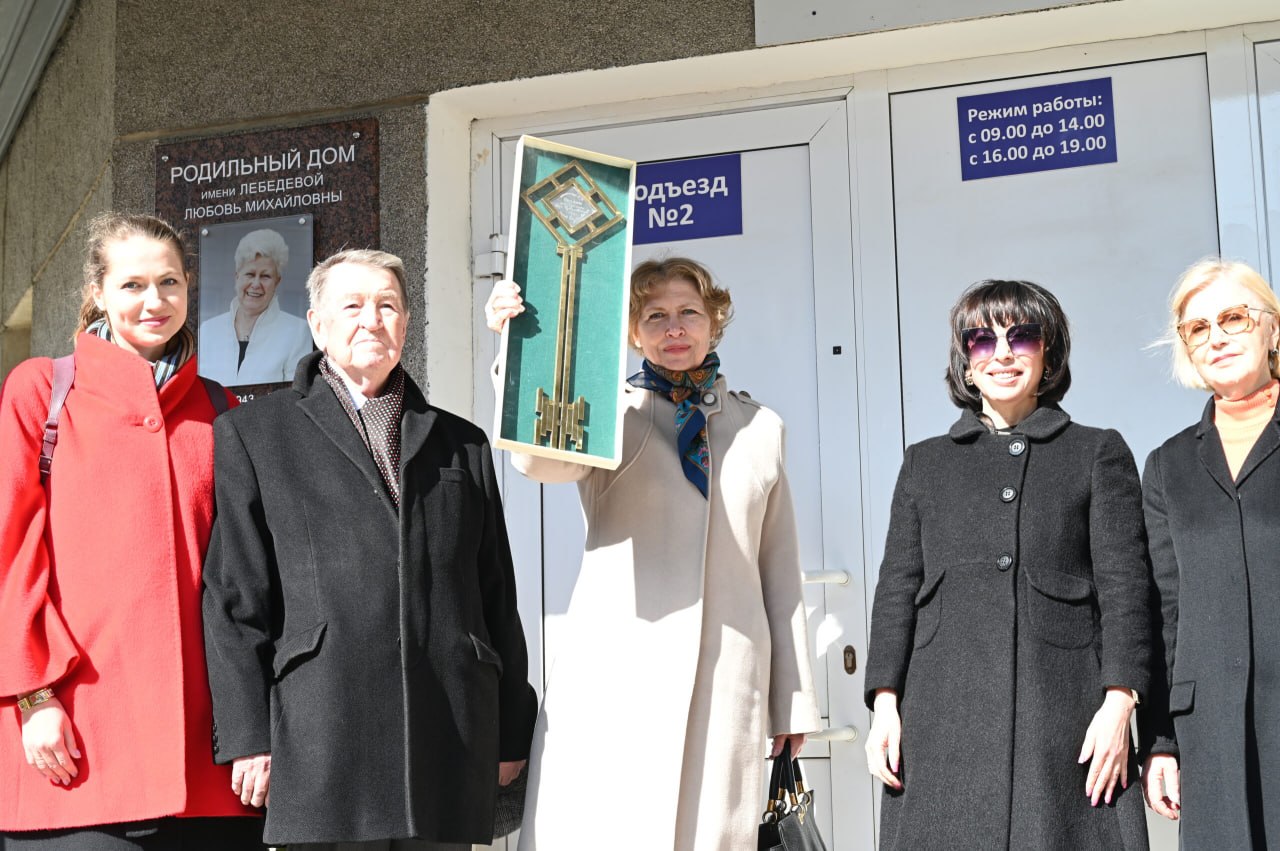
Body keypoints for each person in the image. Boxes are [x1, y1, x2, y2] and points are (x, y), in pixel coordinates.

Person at [202, 248, 537, 850]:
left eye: (387, 305)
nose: (371, 320)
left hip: (447, 733)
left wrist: (512, 727)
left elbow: (495, 593)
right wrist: (248, 735)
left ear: (406, 323)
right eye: (352, 306)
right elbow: (235, 598)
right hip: (324, 737)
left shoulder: (463, 443)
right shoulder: (256, 435)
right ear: (317, 324)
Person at [484, 258, 820, 850]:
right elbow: (539, 460)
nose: (674, 328)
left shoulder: (762, 427)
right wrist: (521, 351)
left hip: (727, 678)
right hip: (619, 671)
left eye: (689, 312)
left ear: (714, 322)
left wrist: (791, 702)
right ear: (634, 333)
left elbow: (778, 569)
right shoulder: (604, 412)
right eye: (655, 316)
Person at [0, 212, 262, 848]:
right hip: (76, 741)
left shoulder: (220, 407)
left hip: (207, 762)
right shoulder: (42, 389)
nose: (155, 301)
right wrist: (32, 696)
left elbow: (246, 579)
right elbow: (11, 555)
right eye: (133, 285)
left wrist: (255, 728)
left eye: (169, 282)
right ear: (98, 292)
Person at [862, 279, 1151, 850]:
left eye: (1021, 337)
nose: (1001, 354)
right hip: (942, 718)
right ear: (965, 362)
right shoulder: (924, 464)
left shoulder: (1096, 452)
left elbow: (1126, 591)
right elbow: (897, 589)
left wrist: (1120, 703)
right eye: (981, 340)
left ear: (1049, 355)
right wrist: (884, 705)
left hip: (1063, 715)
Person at [1140, 258, 1280, 849]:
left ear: (1272, 328)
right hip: (1211, 737)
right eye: (1198, 328)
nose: (1216, 337)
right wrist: (1160, 741)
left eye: (1234, 318)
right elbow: (1163, 612)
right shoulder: (1167, 467)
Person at [198, 228, 313, 387]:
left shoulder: (298, 332)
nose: (256, 284)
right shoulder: (208, 330)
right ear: (237, 277)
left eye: (265, 276)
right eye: (250, 274)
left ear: (277, 282)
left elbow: (297, 394)